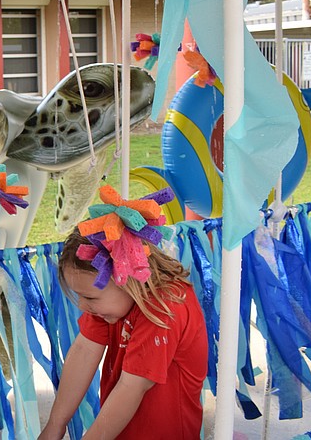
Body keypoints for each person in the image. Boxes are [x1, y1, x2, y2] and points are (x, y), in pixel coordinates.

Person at [39, 188, 207, 440]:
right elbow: (84, 350)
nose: (82, 306)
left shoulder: (165, 306)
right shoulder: (111, 304)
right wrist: (55, 425)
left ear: (127, 279)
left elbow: (132, 387)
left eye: (89, 298)